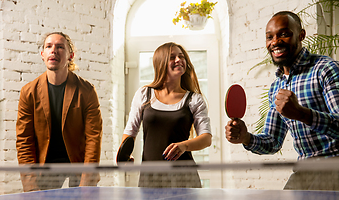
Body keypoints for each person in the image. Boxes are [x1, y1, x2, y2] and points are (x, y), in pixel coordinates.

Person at [225, 11, 339, 190]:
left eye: (284, 34)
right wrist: (246, 138)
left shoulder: (325, 69)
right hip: (304, 170)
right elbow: (272, 141)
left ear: (301, 35)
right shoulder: (275, 88)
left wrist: (302, 114)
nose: (275, 42)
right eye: (269, 37)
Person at [16, 32, 103, 192]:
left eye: (60, 47)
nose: (53, 50)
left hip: (79, 164)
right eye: (48, 46)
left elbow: (93, 139)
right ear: (43, 55)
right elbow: (24, 141)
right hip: (45, 166)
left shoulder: (87, 91)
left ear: (71, 55)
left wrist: (86, 183)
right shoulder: (28, 92)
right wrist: (30, 185)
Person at [120, 42, 212, 188]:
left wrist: (183, 146)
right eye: (172, 57)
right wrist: (124, 156)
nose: (178, 60)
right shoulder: (144, 94)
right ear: (160, 63)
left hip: (185, 178)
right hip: (150, 176)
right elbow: (130, 132)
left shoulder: (194, 99)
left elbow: (206, 139)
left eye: (181, 56)